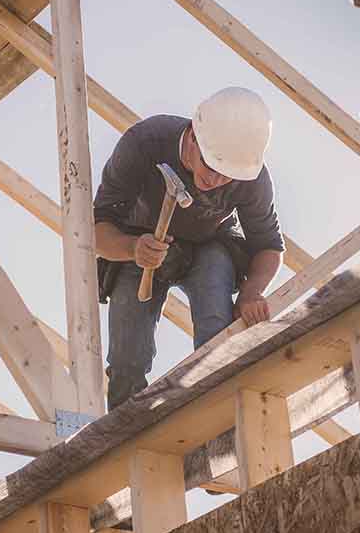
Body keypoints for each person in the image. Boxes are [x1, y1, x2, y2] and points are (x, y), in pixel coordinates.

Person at [94, 87, 285, 409]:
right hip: (139, 245)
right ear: (194, 136)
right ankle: (124, 437)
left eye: (228, 176)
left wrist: (252, 292)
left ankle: (217, 414)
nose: (216, 180)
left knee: (217, 340)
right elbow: (96, 227)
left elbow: (269, 246)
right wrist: (132, 248)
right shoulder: (145, 143)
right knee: (128, 359)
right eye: (211, 166)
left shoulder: (251, 177)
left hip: (208, 247)